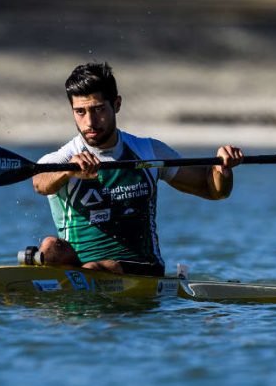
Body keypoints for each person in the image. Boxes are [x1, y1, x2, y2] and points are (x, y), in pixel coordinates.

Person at [32, 62, 243, 276]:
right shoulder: (64, 157)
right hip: (83, 269)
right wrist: (68, 171)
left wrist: (222, 168)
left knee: (92, 269)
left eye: (98, 109)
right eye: (80, 112)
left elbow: (214, 190)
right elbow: (39, 182)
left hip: (144, 270)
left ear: (116, 104)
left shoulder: (149, 151)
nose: (90, 122)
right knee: (49, 247)